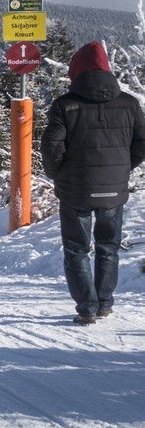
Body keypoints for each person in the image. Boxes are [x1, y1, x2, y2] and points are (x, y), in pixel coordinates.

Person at [40, 41, 145, 325]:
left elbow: (51, 147)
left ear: (76, 71)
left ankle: (87, 307)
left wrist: (58, 174)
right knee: (108, 246)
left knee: (77, 248)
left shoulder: (65, 105)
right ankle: (105, 303)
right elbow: (141, 143)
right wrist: (122, 169)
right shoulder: (130, 104)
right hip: (114, 189)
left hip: (75, 190)